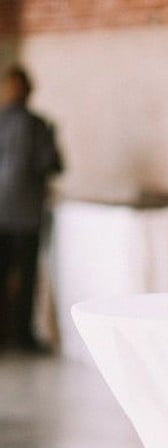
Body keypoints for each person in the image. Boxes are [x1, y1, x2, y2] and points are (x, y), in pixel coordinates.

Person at [0, 64, 63, 352]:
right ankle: (21, 336)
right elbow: (51, 165)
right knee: (25, 277)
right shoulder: (39, 126)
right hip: (25, 213)